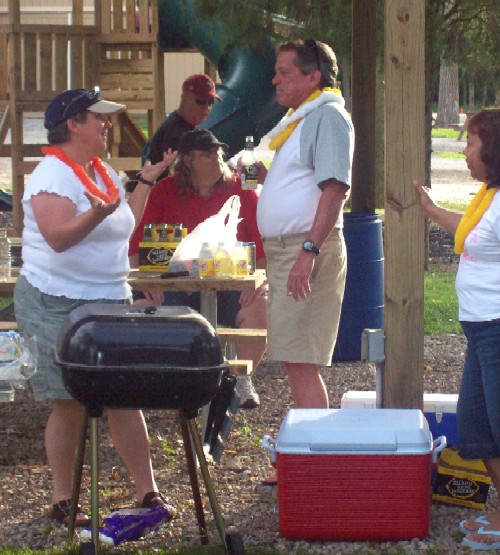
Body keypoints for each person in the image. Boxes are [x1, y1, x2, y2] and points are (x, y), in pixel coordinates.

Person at [13, 88, 173, 527]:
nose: (107, 124)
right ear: (73, 124)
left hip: (109, 297)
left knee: (124, 396)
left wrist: (145, 182)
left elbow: (124, 223)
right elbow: (58, 237)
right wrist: (96, 214)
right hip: (55, 300)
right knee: (69, 401)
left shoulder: (101, 171)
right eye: (98, 118)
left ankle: (148, 491)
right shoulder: (52, 174)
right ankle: (63, 499)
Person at [256, 40, 354, 484]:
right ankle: (311, 461)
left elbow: (335, 189)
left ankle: (316, 469)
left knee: (300, 359)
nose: (274, 79)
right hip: (288, 249)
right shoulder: (301, 118)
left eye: (284, 72)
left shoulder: (327, 116)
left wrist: (309, 252)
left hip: (306, 249)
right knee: (294, 358)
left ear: (313, 78)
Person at [411, 109, 500, 551]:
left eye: (471, 143)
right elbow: (471, 232)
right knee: (477, 423)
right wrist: (430, 210)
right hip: (481, 332)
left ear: (493, 149)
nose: (464, 152)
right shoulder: (489, 196)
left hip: (497, 329)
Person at [129, 128, 267, 409]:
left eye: (218, 152)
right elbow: (136, 246)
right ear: (188, 160)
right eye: (207, 154)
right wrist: (146, 283)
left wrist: (260, 282)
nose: (216, 158)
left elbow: (263, 250)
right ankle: (168, 382)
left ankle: (241, 379)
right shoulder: (164, 191)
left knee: (261, 305)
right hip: (174, 286)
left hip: (230, 285)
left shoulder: (242, 189)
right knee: (142, 307)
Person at [145, 73, 221, 178]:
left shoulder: (186, 125)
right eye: (201, 101)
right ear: (184, 99)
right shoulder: (176, 134)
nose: (207, 107)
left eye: (211, 102)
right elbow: (180, 179)